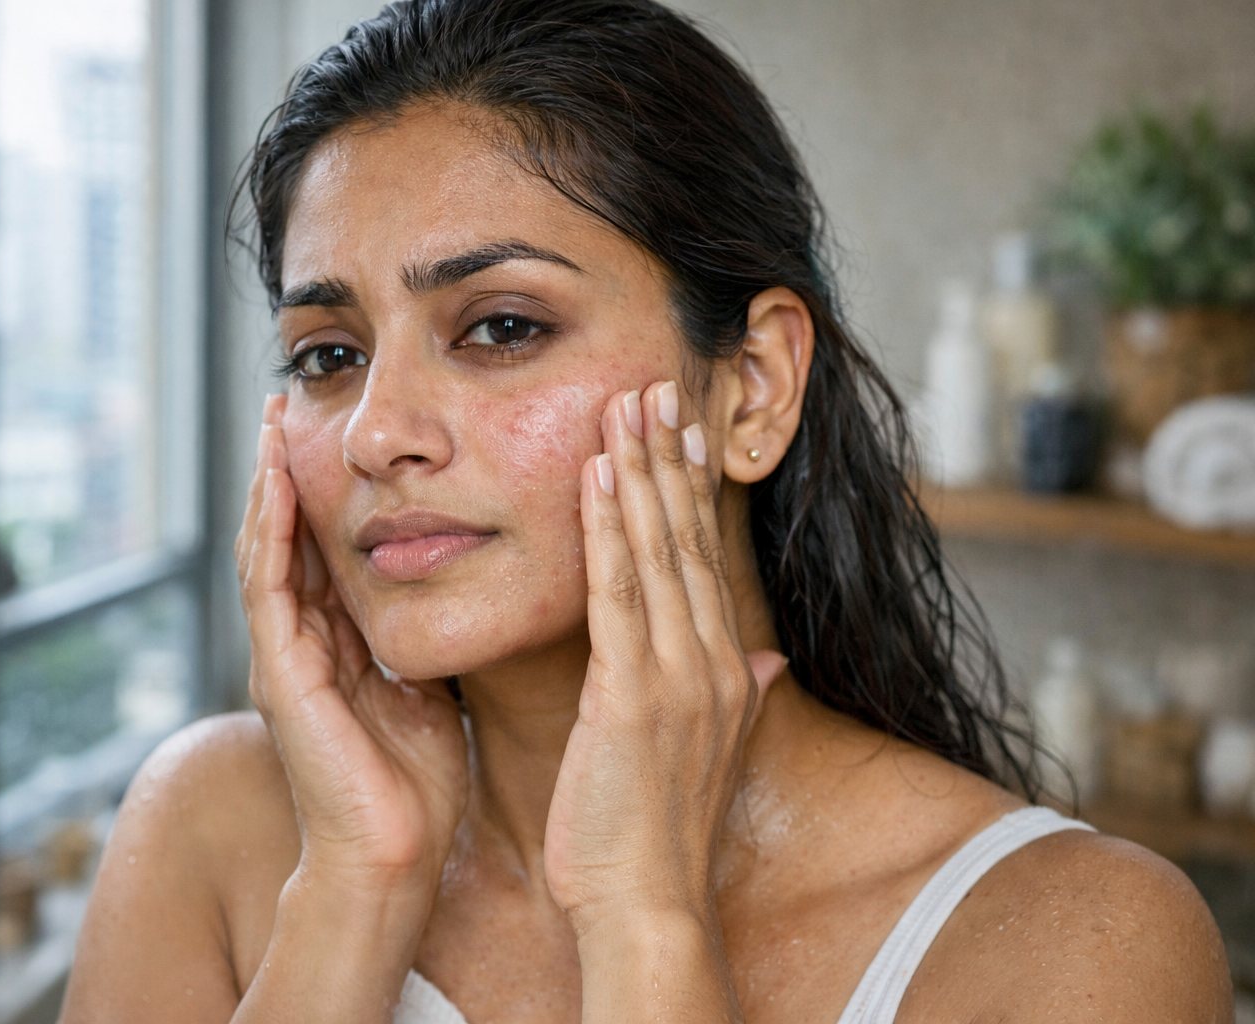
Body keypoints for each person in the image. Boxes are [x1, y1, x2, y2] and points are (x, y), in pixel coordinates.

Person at [59, 0, 1231, 1020]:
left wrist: (645, 918)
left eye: (501, 327)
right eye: (328, 354)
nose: (374, 432)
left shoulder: (1077, 940)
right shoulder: (209, 832)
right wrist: (352, 892)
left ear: (752, 387)